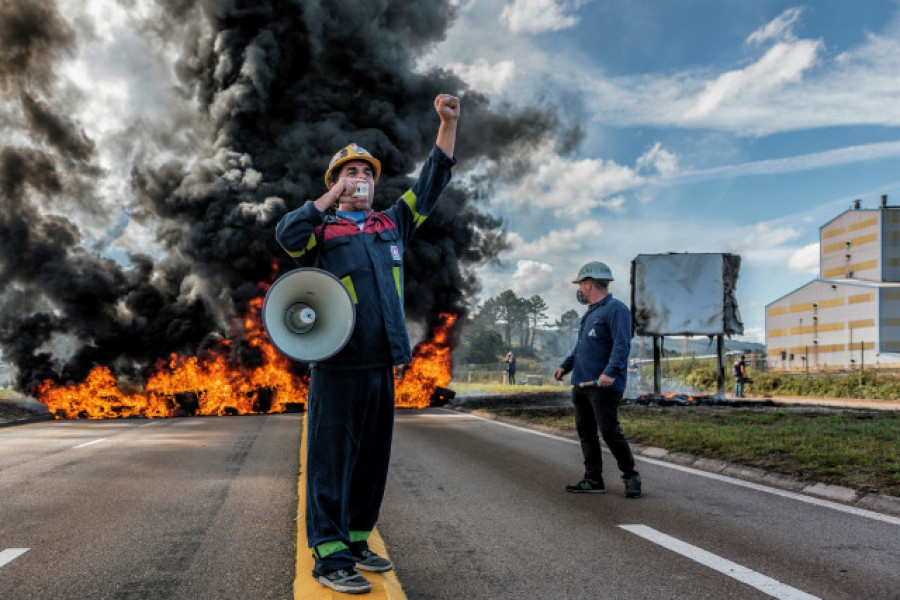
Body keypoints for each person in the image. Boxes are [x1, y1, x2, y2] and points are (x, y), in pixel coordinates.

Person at [275, 94, 460, 594]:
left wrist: (448, 123)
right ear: (336, 182)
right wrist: (330, 198)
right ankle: (330, 553)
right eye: (349, 172)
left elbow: (433, 180)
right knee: (331, 460)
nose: (361, 179)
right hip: (338, 365)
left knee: (372, 460)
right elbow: (287, 235)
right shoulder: (322, 229)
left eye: (367, 173)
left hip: (383, 363)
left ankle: (357, 539)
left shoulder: (391, 224)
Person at [553, 262, 641, 499]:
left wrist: (610, 373)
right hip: (581, 385)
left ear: (589, 284)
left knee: (610, 431)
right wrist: (566, 366)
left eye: (581, 285)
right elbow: (581, 348)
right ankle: (593, 479)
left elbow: (622, 345)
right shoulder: (590, 313)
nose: (579, 290)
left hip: (603, 386)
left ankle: (631, 476)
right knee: (586, 433)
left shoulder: (616, 309)